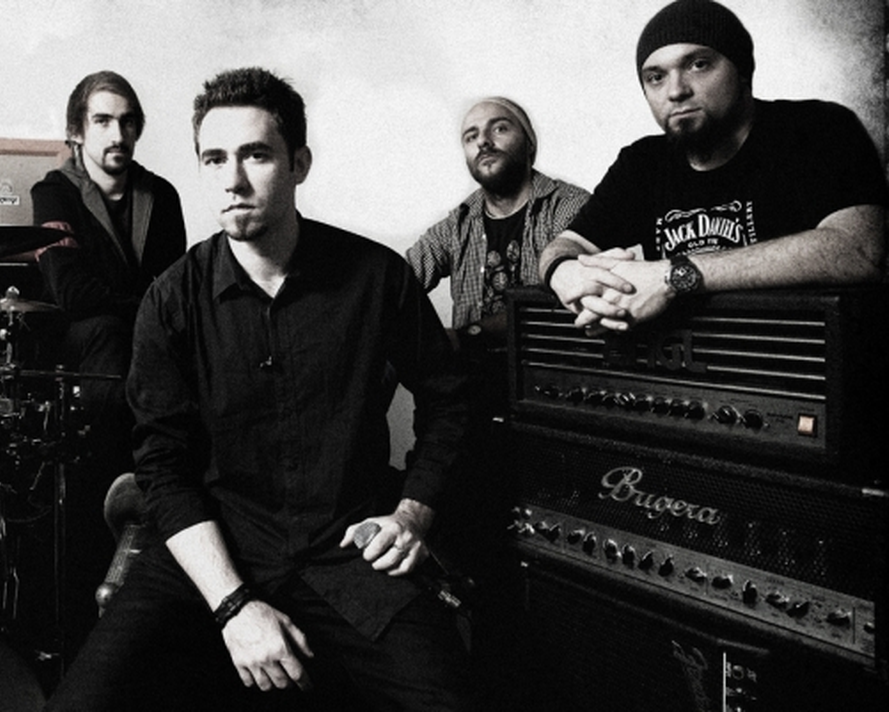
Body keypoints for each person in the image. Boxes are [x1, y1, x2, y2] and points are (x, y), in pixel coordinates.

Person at [44, 67, 471, 712]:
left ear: (299, 163)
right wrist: (234, 606)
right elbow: (162, 465)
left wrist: (413, 513)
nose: (233, 180)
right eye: (214, 158)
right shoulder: (171, 299)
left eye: (256, 155)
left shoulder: (375, 277)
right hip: (214, 550)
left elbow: (450, 398)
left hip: (345, 551)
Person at [538, 0, 889, 334]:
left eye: (698, 64)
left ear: (742, 71)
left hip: (802, 363)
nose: (676, 91)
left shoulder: (819, 128)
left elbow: (858, 251)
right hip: (688, 371)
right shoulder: (641, 162)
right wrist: (564, 274)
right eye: (656, 77)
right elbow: (567, 244)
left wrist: (671, 276)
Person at [30, 70, 186, 477]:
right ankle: (114, 478)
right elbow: (72, 295)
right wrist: (145, 306)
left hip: (146, 338)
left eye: (127, 121)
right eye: (102, 121)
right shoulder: (53, 194)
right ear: (76, 132)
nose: (118, 135)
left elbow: (174, 294)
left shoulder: (161, 196)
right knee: (106, 330)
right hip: (80, 346)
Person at [406, 96, 588, 351]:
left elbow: (565, 303)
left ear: (529, 143)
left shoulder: (569, 206)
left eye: (500, 128)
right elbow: (395, 284)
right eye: (471, 137)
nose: (483, 141)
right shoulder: (457, 224)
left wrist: (465, 337)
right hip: (471, 374)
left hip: (548, 370)